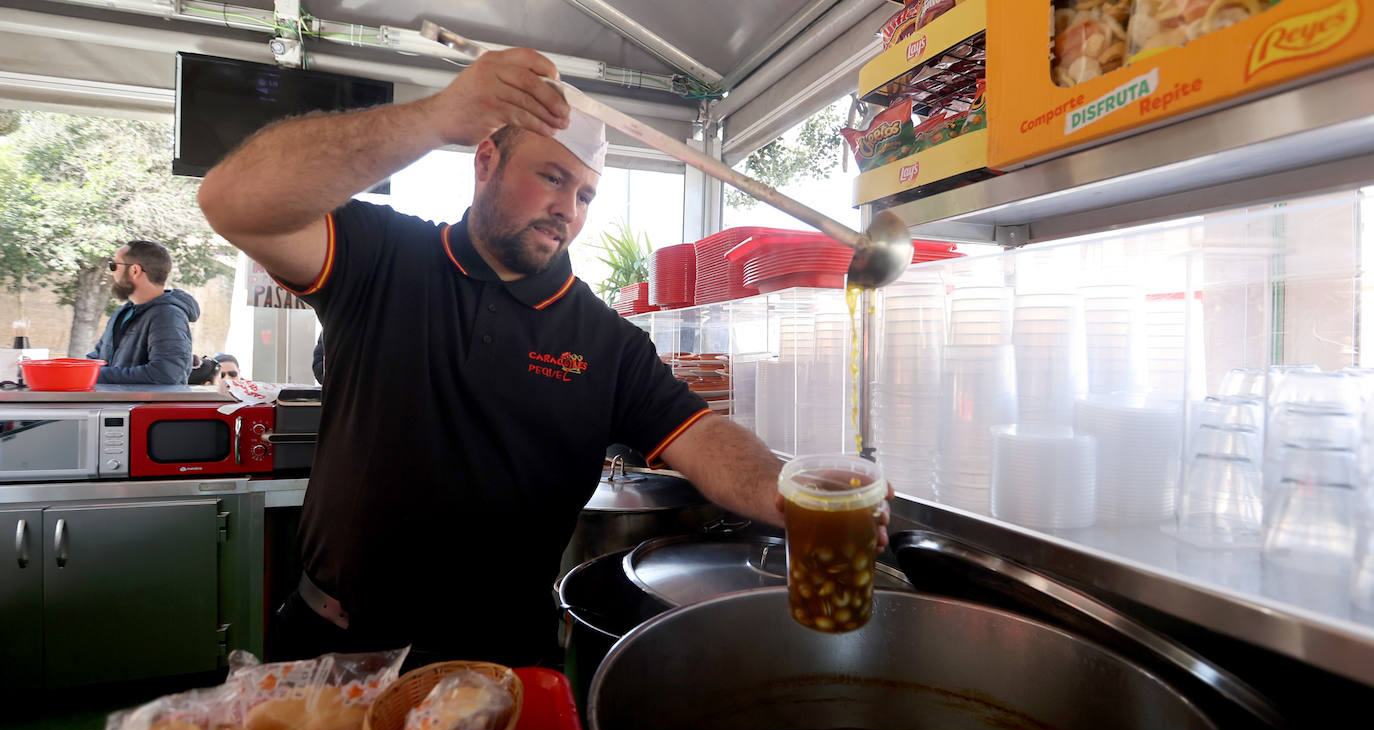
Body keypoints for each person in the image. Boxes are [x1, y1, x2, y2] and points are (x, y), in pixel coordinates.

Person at [198, 47, 890, 667]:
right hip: (339, 646)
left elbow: (701, 436)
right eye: (552, 177)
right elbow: (231, 200)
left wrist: (785, 490)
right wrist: (437, 115)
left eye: (585, 193)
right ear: (485, 161)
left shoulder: (606, 341)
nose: (569, 208)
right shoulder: (381, 257)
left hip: (504, 663)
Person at [88, 240, 200, 384]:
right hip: (119, 405)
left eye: (113, 265)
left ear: (135, 270)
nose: (111, 272)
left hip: (143, 406)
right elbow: (98, 359)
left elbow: (166, 375)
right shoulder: (123, 313)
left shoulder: (167, 316)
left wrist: (95, 376)